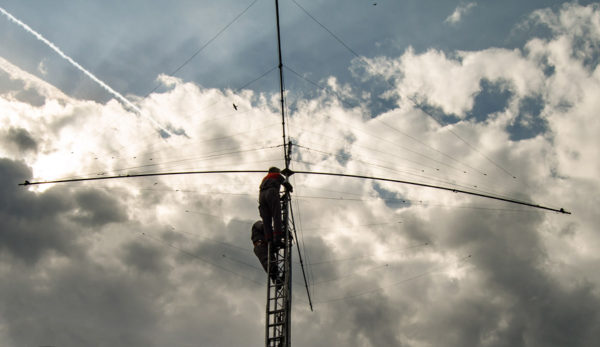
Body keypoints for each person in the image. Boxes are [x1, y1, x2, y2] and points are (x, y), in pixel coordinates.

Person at [258, 167, 293, 249]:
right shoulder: (276, 175)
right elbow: (285, 183)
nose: (279, 172)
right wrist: (290, 188)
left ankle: (269, 241)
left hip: (261, 196)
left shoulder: (264, 179)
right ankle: (277, 240)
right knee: (276, 215)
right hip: (271, 192)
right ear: (275, 171)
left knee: (266, 220)